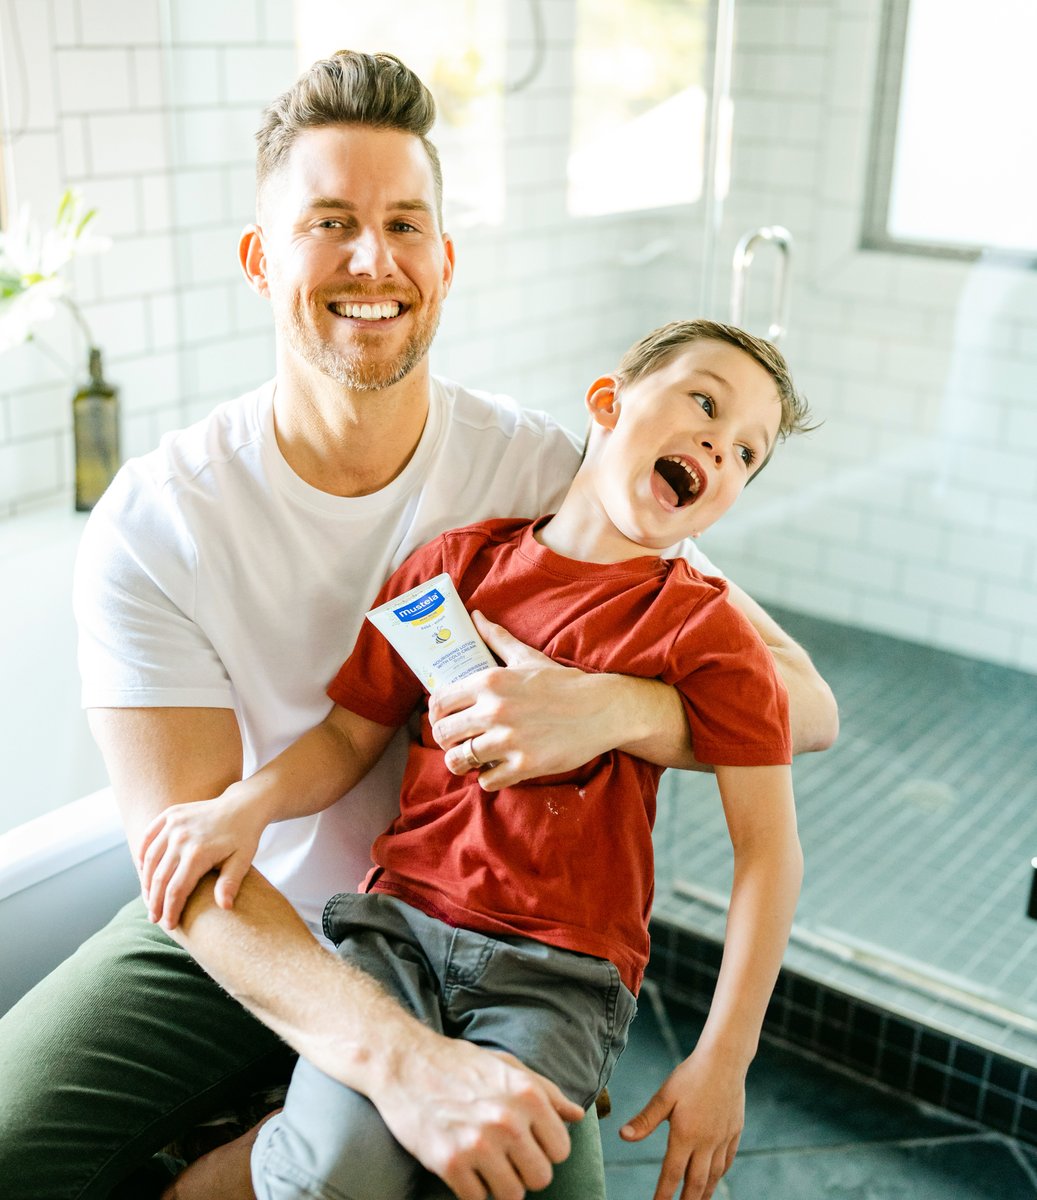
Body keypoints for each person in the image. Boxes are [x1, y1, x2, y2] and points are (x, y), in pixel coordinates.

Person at [0, 51, 837, 1200]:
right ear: (260, 259)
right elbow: (196, 868)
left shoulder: (551, 470)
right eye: (329, 221)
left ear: (445, 261)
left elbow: (806, 707)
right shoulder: (160, 520)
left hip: (513, 948)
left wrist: (607, 710)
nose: (372, 259)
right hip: (252, 922)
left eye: (404, 223)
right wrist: (400, 1065)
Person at [140, 317, 808, 1200]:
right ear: (607, 402)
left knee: (503, 1179)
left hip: (560, 978)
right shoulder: (453, 572)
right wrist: (245, 807)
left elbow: (768, 849)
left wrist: (726, 1056)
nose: (719, 448)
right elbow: (348, 737)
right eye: (704, 404)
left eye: (745, 455)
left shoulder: (708, 633)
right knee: (335, 1172)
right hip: (400, 937)